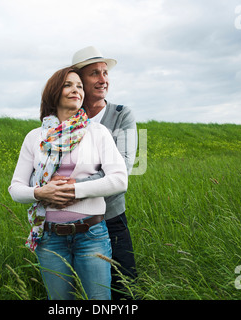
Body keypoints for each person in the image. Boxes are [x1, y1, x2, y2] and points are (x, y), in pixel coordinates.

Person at [8, 67, 128, 300]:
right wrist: (42, 192)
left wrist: (74, 190)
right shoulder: (35, 137)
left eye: (80, 86)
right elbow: (16, 188)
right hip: (50, 238)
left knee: (99, 302)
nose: (76, 90)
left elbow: (119, 180)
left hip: (91, 234)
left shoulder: (97, 132)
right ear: (54, 92)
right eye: (68, 85)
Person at [50, 46, 138, 300]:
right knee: (70, 294)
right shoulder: (61, 119)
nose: (103, 80)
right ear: (78, 80)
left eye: (105, 73)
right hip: (67, 222)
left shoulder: (121, 115)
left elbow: (122, 170)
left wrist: (70, 187)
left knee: (124, 290)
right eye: (94, 74)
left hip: (110, 218)